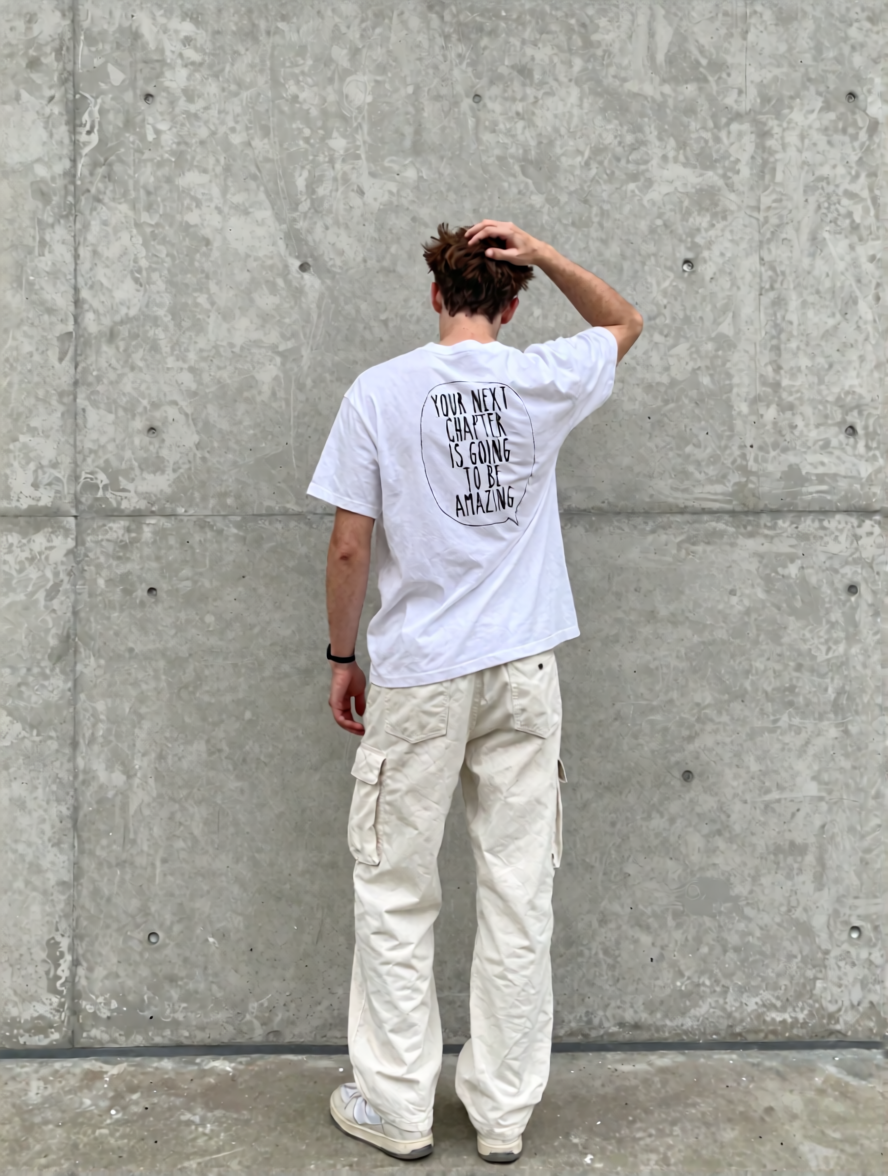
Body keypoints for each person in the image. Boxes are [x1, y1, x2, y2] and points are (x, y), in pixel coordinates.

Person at [307, 220, 643, 1163]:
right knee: (518, 891)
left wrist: (343, 656)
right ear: (514, 303)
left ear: (433, 295)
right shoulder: (543, 378)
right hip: (523, 669)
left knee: (396, 888)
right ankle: (501, 1117)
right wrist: (549, 253)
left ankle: (398, 1109)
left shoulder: (380, 391)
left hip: (420, 673)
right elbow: (624, 322)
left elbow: (349, 546)